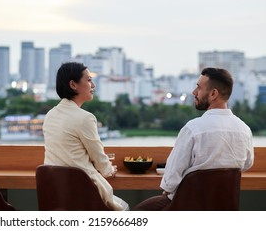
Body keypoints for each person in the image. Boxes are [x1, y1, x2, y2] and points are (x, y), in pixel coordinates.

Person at [133, 67, 254, 210]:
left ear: (213, 93)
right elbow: (247, 164)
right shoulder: (244, 130)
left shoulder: (193, 129)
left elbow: (171, 178)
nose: (194, 92)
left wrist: (167, 192)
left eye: (198, 87)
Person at [43, 61, 129, 211]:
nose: (93, 85)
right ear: (73, 85)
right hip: (83, 194)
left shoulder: (50, 115)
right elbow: (99, 158)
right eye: (89, 80)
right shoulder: (85, 118)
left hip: (57, 192)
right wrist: (109, 170)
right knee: (125, 208)